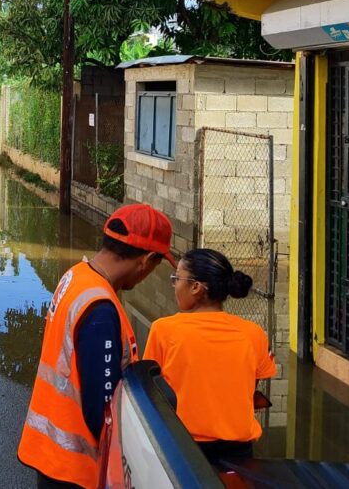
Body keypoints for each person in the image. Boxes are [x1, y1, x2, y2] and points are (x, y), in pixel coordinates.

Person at [18, 204, 175, 489]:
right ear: (147, 260)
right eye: (157, 265)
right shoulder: (100, 309)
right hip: (75, 468)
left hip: (50, 451)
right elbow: (102, 410)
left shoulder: (76, 276)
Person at [143, 248, 276, 464]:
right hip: (239, 452)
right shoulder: (254, 334)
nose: (174, 286)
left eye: (177, 279)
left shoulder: (164, 331)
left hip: (181, 447)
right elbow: (250, 389)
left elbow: (152, 392)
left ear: (196, 287)